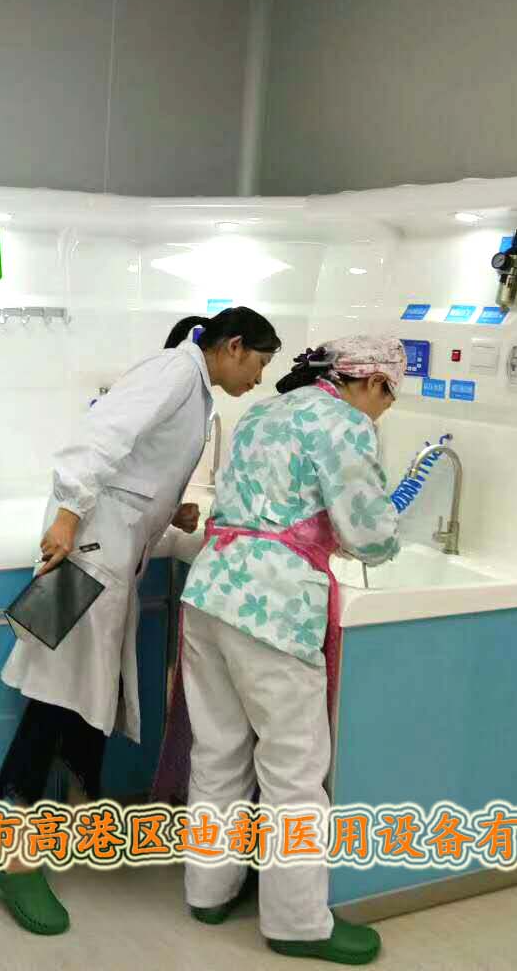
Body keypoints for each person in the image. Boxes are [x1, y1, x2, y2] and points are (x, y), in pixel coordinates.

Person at [0, 306, 283, 936]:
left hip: (103, 548)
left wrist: (167, 512)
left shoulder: (195, 390)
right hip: (85, 551)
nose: (258, 377)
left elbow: (136, 468)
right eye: (258, 362)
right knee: (55, 698)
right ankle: (11, 854)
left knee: (77, 698)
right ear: (233, 346)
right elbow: (101, 437)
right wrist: (68, 515)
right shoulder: (176, 372)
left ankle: (59, 825)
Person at [166, 335, 404, 965]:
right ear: (371, 382)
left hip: (211, 589)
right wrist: (384, 539)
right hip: (273, 604)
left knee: (218, 750)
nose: (384, 410)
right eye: (388, 397)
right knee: (295, 771)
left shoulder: (263, 412)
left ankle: (208, 890)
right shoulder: (346, 424)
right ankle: (298, 923)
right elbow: (368, 532)